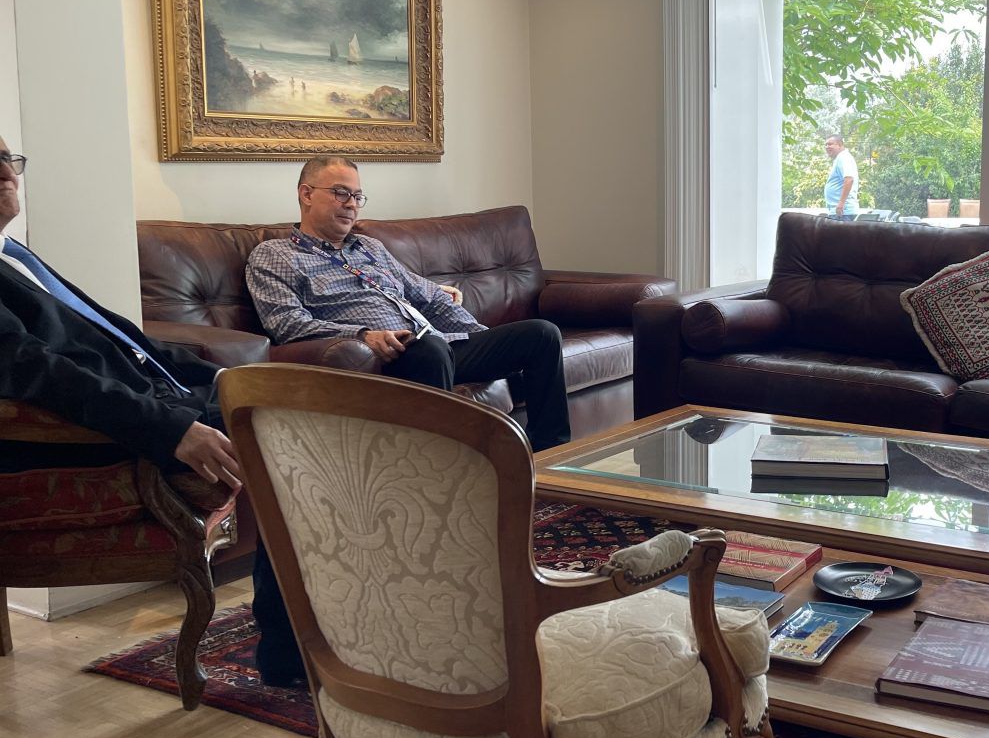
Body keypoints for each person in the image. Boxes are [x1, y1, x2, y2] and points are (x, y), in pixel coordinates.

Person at [243, 154, 571, 685]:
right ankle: (440, 480)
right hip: (384, 355)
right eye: (340, 193)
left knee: (540, 335)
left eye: (357, 196)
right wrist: (360, 336)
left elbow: (428, 299)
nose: (351, 205)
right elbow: (286, 324)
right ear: (305, 194)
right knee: (429, 351)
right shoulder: (275, 256)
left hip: (438, 343)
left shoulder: (371, 248)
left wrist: (477, 334)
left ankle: (548, 458)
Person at [0, 138, 243, 490]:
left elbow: (118, 337)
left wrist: (223, 376)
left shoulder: (13, 255)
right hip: (123, 426)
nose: (7, 173)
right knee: (293, 424)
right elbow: (31, 368)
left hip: (164, 397)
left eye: (7, 159)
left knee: (293, 400)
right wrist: (168, 428)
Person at [823, 134, 860, 220]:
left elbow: (849, 179)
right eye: (826, 145)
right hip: (840, 212)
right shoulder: (840, 158)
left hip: (843, 213)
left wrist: (841, 203)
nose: (827, 147)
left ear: (840, 145)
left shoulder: (844, 157)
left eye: (830, 144)